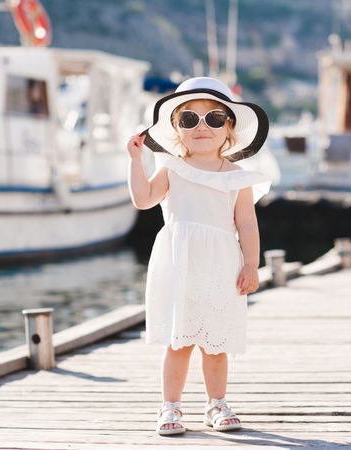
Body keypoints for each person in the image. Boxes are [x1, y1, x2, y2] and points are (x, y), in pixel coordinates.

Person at [126, 77, 271, 436]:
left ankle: (216, 403)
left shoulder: (238, 177)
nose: (202, 127)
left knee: (215, 342)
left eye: (214, 119)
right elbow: (143, 199)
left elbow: (247, 225)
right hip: (180, 264)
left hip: (221, 265)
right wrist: (135, 160)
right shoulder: (172, 168)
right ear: (176, 129)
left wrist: (251, 265)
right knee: (180, 340)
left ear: (229, 128)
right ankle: (170, 406)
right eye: (189, 119)